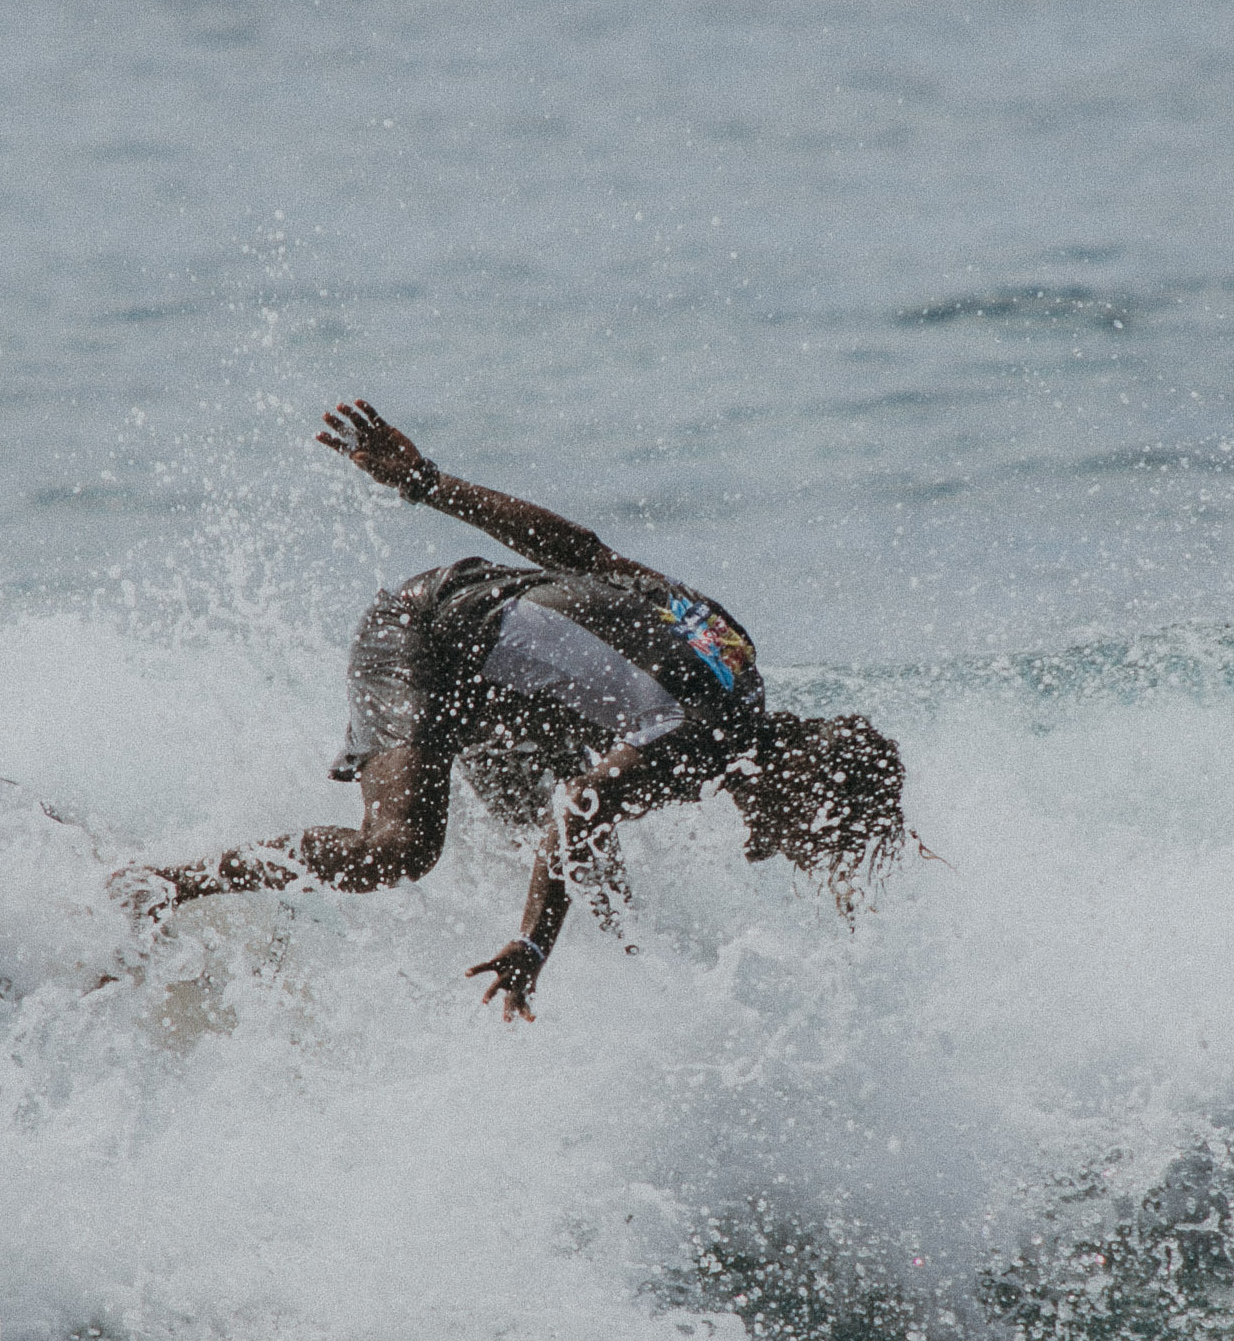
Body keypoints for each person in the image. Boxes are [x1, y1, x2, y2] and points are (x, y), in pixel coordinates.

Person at [108, 399, 906, 1020]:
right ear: (807, 788)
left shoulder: (735, 656)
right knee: (400, 849)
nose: (773, 852)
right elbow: (576, 807)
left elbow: (587, 555)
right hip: (425, 636)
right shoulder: (701, 738)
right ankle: (162, 884)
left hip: (496, 678)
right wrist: (531, 943)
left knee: (608, 900)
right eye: (805, 839)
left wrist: (428, 482)